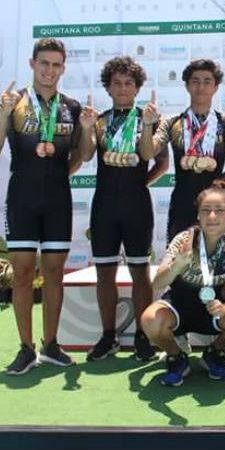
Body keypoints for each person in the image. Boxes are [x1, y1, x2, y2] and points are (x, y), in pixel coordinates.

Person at [0, 38, 86, 375]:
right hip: (22, 200)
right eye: (44, 63)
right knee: (24, 274)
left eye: (56, 65)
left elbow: (82, 155)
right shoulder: (15, 103)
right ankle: (26, 348)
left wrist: (84, 133)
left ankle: (51, 344)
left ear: (63, 68)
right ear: (32, 64)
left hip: (57, 201)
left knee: (56, 272)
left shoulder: (70, 107)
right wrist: (1, 115)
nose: (49, 70)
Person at [78, 56, 165, 362]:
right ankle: (108, 336)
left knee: (141, 272)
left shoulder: (149, 117)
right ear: (108, 87)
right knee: (105, 273)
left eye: (129, 83)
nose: (123, 88)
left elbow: (153, 158)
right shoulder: (98, 120)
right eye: (117, 83)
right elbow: (87, 154)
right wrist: (86, 128)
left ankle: (143, 335)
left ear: (138, 87)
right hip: (104, 205)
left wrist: (141, 184)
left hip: (136, 206)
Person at [141, 183, 225, 386]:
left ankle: (214, 353)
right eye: (206, 211)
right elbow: (157, 283)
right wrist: (177, 266)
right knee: (150, 319)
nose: (212, 216)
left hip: (214, 311)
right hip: (178, 309)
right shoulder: (183, 240)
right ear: (198, 216)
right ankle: (176, 357)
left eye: (219, 211)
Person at [158, 59, 225, 243]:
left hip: (215, 204)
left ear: (216, 87)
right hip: (182, 201)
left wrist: (219, 183)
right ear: (187, 86)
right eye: (195, 81)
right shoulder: (174, 123)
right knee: (179, 260)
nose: (201, 87)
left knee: (217, 260)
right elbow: (155, 156)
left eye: (207, 81)